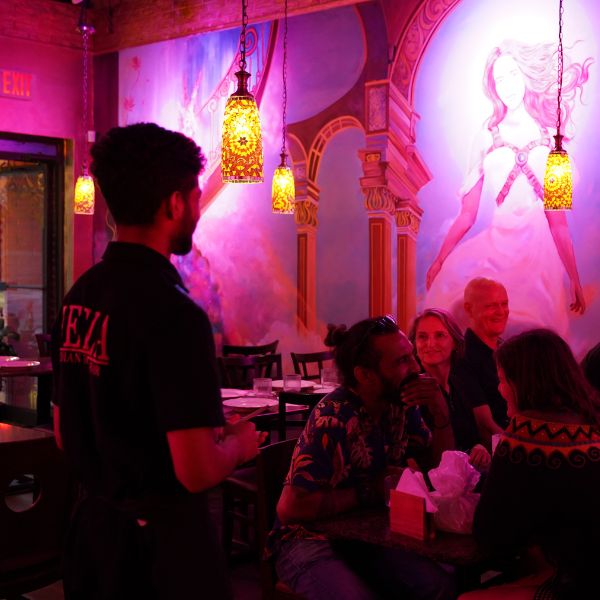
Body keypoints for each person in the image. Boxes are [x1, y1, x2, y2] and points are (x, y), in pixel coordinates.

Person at [51, 123, 263, 600]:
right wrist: (240, 444)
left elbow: (67, 434)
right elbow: (197, 470)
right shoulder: (176, 313)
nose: (194, 211)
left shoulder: (79, 295)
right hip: (160, 555)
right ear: (173, 204)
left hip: (92, 540)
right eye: (193, 197)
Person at [271, 315, 456, 600]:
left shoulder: (401, 405)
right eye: (401, 361)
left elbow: (438, 469)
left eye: (411, 357)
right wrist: (371, 490)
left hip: (368, 537)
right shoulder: (332, 417)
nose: (415, 367)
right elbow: (290, 509)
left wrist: (440, 409)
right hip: (309, 539)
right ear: (365, 374)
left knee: (439, 587)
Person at [425, 40, 590, 338]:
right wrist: (439, 260)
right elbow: (467, 215)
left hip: (538, 257)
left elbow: (558, 222)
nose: (508, 85)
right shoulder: (485, 138)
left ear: (526, 74)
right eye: (500, 79)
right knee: (449, 299)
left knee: (537, 340)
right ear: (493, 87)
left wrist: (575, 278)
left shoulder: (554, 141)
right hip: (495, 250)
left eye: (513, 74)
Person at [459, 329, 600, 600]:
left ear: (521, 383)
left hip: (573, 582)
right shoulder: (590, 420)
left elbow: (491, 534)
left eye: (502, 380)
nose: (500, 389)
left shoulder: (526, 434)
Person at [408, 308, 490, 470]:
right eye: (422, 337)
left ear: (455, 343)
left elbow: (473, 437)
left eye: (440, 335)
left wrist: (480, 449)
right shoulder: (415, 390)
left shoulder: (459, 383)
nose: (430, 344)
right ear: (414, 344)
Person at [455, 277, 509, 449]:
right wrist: (518, 449)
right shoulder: (463, 357)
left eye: (504, 304)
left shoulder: (507, 351)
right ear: (469, 309)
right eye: (491, 306)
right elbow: (485, 425)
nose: (501, 311)